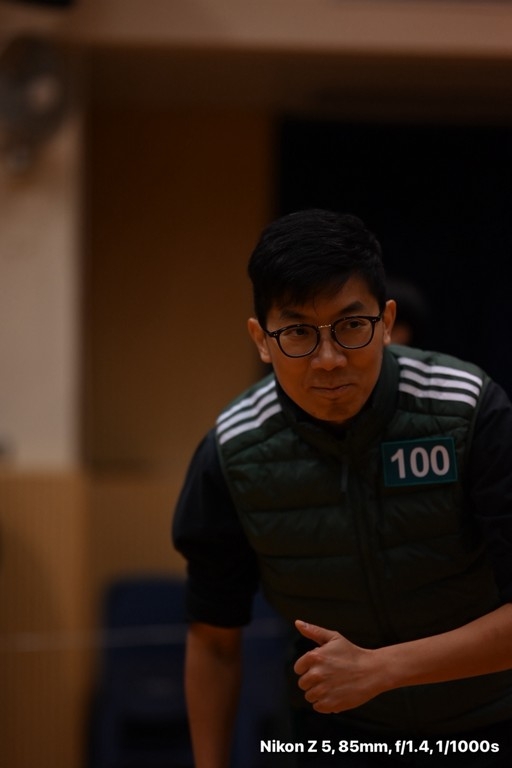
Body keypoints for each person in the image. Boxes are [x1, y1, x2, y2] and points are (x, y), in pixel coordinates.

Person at [172, 209, 512, 767]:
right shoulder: (231, 451)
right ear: (261, 340)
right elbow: (213, 640)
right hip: (335, 735)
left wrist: (382, 668)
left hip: (491, 720)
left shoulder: (470, 411)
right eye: (298, 333)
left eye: (351, 326)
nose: (328, 361)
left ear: (386, 320)